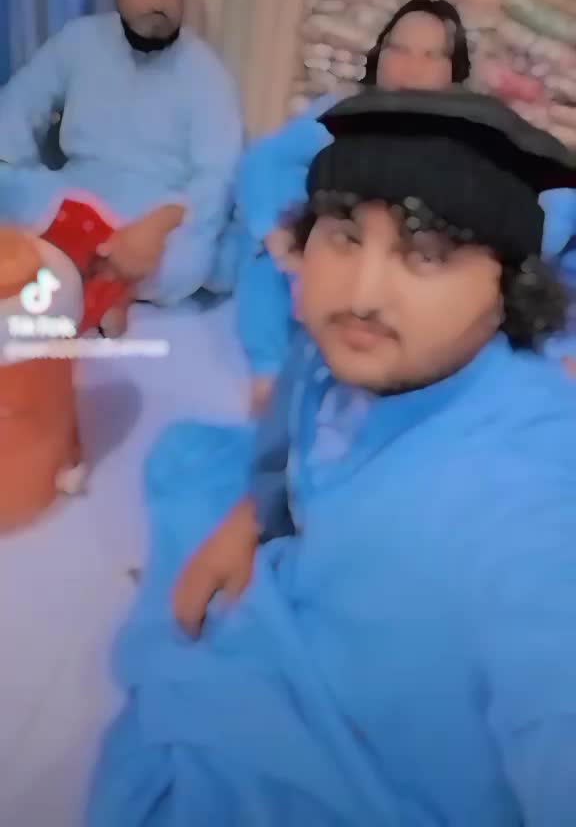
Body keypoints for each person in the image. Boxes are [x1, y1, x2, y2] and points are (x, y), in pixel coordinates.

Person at [91, 90, 576, 826]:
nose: (362, 296)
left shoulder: (528, 486)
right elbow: (288, 427)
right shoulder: (341, 354)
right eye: (345, 237)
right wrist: (249, 521)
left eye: (427, 254)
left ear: (507, 291)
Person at [0, 0, 242, 326]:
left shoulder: (206, 72)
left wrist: (159, 225)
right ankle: (104, 285)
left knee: (192, 261)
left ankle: (86, 274)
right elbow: (17, 106)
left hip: (153, 223)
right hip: (75, 201)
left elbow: (218, 177)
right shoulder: (79, 41)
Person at [234, 0, 470, 412]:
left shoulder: (466, 142)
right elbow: (262, 162)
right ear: (379, 55)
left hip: (405, 281)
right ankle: (270, 373)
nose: (410, 66)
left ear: (454, 71)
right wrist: (278, 235)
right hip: (325, 264)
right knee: (269, 243)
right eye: (398, 49)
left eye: (430, 55)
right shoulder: (342, 114)